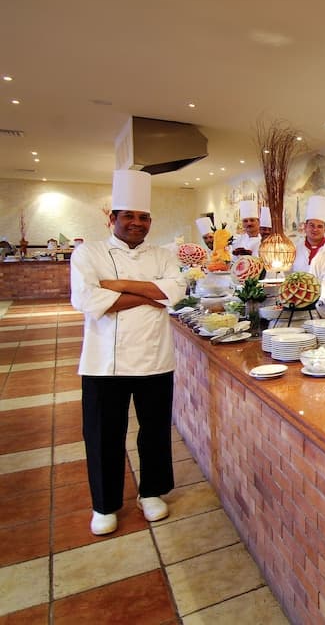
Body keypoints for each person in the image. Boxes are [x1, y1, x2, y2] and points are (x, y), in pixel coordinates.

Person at [70, 169, 185, 536]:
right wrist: (150, 293)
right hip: (104, 360)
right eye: (129, 216)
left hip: (154, 356)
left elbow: (174, 292)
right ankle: (104, 505)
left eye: (144, 217)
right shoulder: (88, 253)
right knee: (103, 434)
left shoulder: (163, 255)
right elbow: (87, 299)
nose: (137, 223)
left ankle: (151, 492)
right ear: (113, 218)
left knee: (154, 429)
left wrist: (116, 287)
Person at [291, 195, 325, 272]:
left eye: (319, 226)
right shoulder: (295, 249)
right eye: (312, 225)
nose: (315, 229)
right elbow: (287, 274)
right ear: (305, 226)